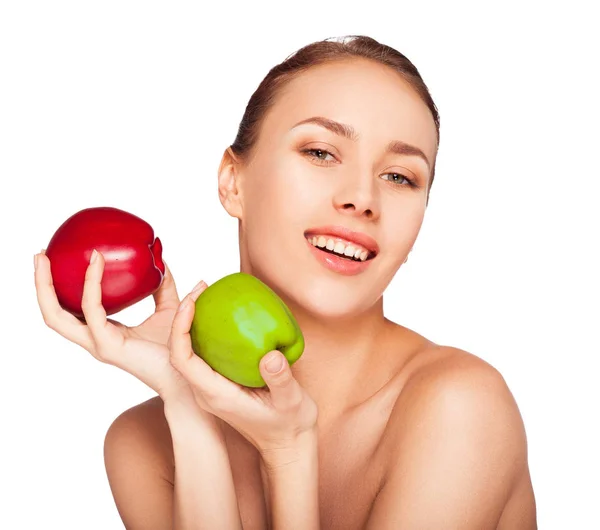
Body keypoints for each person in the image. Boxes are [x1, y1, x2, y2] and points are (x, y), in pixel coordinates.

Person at [33, 35, 537, 529]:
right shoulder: (143, 445)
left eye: (400, 177)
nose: (362, 198)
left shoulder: (461, 408)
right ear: (233, 182)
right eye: (320, 152)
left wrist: (289, 452)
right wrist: (187, 408)